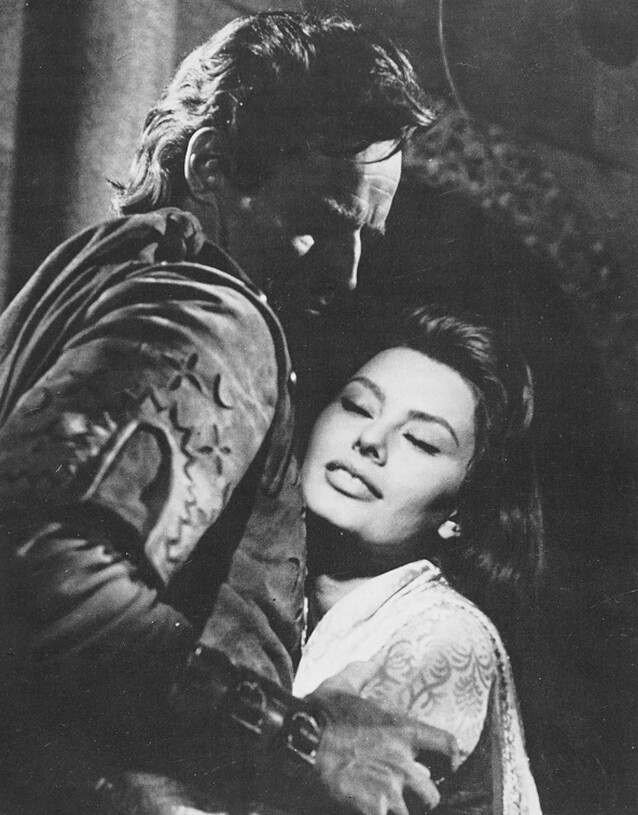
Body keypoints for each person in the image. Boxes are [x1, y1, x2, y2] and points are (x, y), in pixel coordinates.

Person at [0, 11, 457, 815]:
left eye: (364, 238)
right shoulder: (215, 316)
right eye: (324, 221)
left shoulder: (99, 272)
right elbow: (44, 577)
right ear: (210, 163)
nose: (347, 275)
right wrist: (302, 736)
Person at [295, 306, 545, 815]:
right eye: (357, 406)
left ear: (460, 513)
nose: (370, 440)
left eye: (420, 440)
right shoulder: (276, 584)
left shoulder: (445, 639)